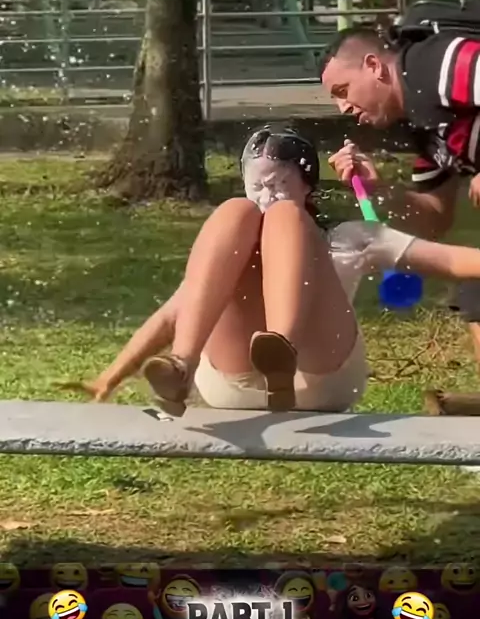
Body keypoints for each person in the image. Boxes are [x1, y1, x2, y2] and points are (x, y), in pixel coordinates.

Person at [77, 126, 480, 416]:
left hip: (319, 379)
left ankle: (282, 348)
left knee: (286, 217)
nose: (266, 196)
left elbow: (451, 261)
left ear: (308, 186)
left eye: (280, 184)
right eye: (257, 186)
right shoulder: (233, 242)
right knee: (234, 212)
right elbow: (175, 313)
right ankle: (184, 366)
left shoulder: (350, 237)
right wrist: (109, 378)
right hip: (232, 383)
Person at [321, 26, 480, 367]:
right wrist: (379, 189)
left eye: (343, 90)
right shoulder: (422, 129)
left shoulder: (435, 64)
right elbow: (435, 219)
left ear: (373, 66)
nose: (342, 107)